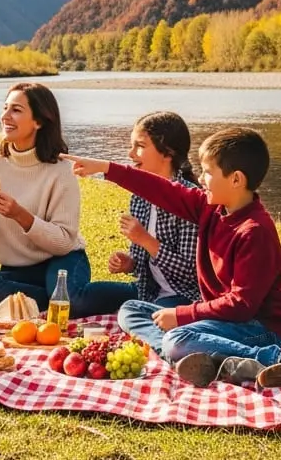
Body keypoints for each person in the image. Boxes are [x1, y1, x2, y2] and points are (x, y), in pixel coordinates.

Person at [62, 127, 281, 390]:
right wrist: (106, 168)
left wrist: (182, 315)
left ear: (236, 179)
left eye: (208, 172)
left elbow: (241, 305)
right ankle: (198, 360)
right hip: (221, 321)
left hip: (259, 328)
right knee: (132, 309)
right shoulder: (210, 207)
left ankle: (275, 360)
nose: (200, 179)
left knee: (178, 337)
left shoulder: (254, 232)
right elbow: (162, 190)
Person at [0, 82, 90, 311]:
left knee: (70, 299)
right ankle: (53, 299)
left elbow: (63, 242)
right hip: (17, 269)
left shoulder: (61, 170)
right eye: (5, 108)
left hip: (62, 260)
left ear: (39, 121)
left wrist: (20, 215)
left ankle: (134, 291)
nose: (5, 116)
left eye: (16, 110)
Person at [70, 111, 202, 317]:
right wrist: (129, 263)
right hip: (146, 292)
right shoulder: (139, 196)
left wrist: (145, 239)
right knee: (78, 299)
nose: (131, 154)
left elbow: (191, 274)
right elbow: (144, 266)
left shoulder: (189, 200)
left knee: (131, 314)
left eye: (139, 146)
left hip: (183, 296)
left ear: (167, 153)